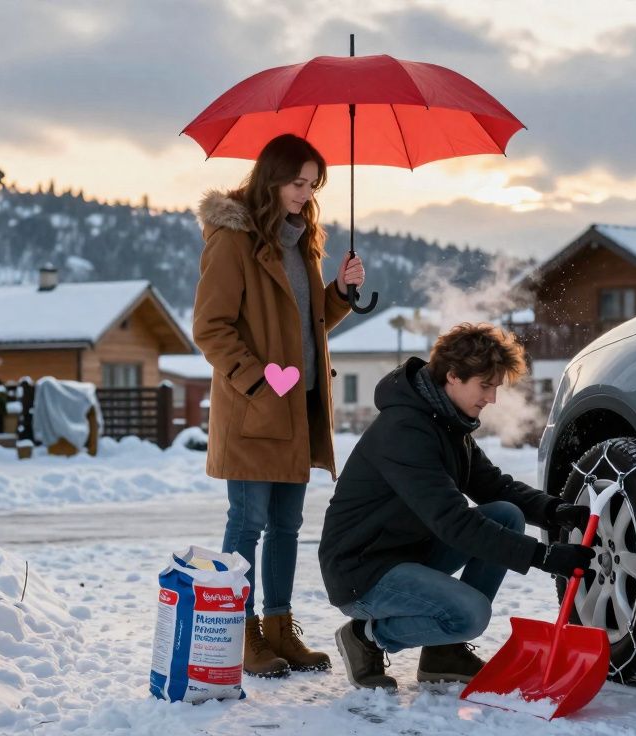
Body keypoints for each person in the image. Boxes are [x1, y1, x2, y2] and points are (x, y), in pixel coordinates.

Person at [319, 322, 595, 689]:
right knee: (471, 614)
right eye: (486, 386)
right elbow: (453, 521)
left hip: (406, 553)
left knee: (505, 514)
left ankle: (442, 654)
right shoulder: (405, 431)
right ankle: (366, 637)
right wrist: (543, 557)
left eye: (495, 387)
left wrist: (553, 510)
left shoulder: (448, 423)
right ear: (452, 376)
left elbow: (493, 486)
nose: (492, 398)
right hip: (362, 571)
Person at [192, 133, 365, 678]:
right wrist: (257, 383)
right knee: (248, 524)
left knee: (288, 527)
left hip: (301, 409)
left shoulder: (301, 242)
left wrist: (339, 292)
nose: (306, 193)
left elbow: (306, 330)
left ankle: (278, 629)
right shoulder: (232, 238)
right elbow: (210, 328)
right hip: (255, 409)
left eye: (313, 185)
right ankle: (240, 633)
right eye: (297, 182)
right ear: (272, 179)